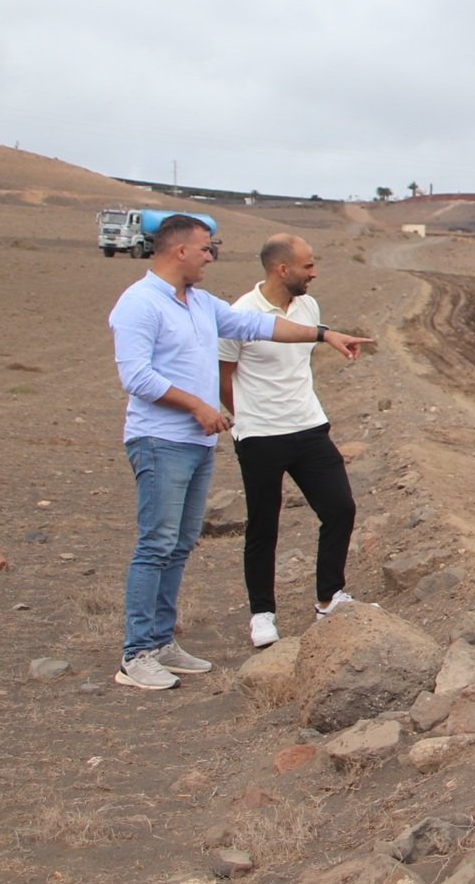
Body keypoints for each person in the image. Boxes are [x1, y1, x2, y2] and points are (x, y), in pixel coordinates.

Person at [107, 215, 374, 691]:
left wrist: (323, 334)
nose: (212, 256)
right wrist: (198, 405)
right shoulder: (139, 303)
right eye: (206, 248)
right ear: (180, 251)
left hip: (196, 440)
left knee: (180, 544)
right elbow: (136, 377)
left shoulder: (199, 303)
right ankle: (137, 653)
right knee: (155, 544)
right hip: (159, 439)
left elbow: (258, 324)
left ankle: (162, 641)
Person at [218, 233, 366, 649]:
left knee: (340, 508)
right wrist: (246, 418)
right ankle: (262, 614)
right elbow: (223, 379)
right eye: (308, 266)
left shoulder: (309, 306)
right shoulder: (239, 315)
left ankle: (329, 598)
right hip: (260, 435)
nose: (314, 272)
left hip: (308, 426)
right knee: (264, 526)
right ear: (282, 269)